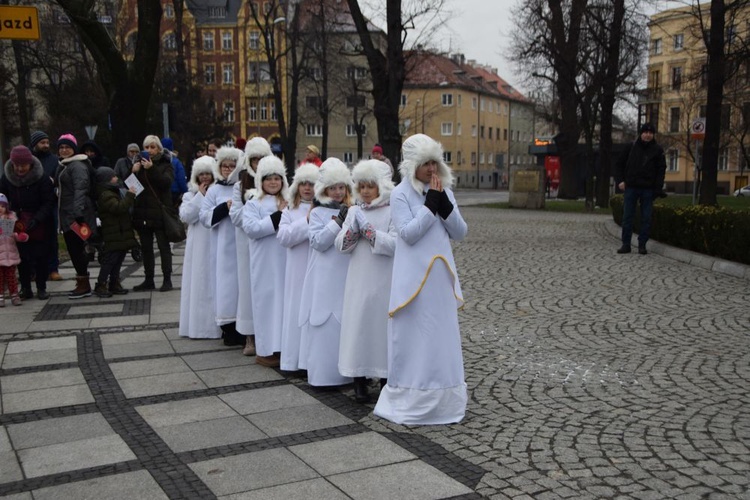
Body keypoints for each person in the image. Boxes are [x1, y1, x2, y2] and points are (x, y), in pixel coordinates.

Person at [373, 134, 468, 426]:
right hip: (413, 280)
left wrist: (444, 206)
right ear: (413, 164)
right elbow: (409, 234)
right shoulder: (401, 193)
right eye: (425, 163)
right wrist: (430, 207)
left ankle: (444, 399)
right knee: (415, 337)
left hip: (439, 278)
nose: (431, 169)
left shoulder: (444, 190)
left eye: (434, 162)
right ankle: (413, 396)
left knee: (440, 336)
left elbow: (460, 232)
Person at [335, 159, 396, 403]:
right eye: (362, 186)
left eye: (370, 186)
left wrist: (370, 233)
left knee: (380, 327)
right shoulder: (353, 211)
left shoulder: (392, 211)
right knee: (357, 327)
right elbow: (340, 246)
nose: (366, 191)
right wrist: (353, 231)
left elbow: (393, 244)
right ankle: (358, 379)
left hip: (383, 279)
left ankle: (384, 378)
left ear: (381, 186)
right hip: (358, 279)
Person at [297, 158, 354, 387]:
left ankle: (348, 373)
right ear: (324, 189)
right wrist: (337, 222)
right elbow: (318, 242)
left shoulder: (352, 209)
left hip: (345, 274)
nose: (338, 192)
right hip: (323, 276)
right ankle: (323, 375)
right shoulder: (318, 212)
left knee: (344, 323)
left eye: (341, 187)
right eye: (333, 188)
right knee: (324, 323)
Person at [242, 156, 289, 367]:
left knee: (283, 304)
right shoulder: (253, 203)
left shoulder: (288, 201)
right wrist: (278, 216)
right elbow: (252, 229)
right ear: (261, 180)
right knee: (266, 304)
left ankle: (283, 347)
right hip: (264, 263)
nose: (273, 182)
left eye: (277, 178)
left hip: (284, 261)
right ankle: (265, 349)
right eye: (268, 178)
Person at [230, 137, 273, 355]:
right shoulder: (240, 184)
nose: (257, 163)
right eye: (254, 159)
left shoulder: (275, 181)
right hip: (246, 244)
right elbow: (236, 216)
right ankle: (250, 335)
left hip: (271, 244)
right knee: (248, 288)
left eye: (261, 158)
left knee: (270, 289)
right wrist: (252, 209)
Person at [200, 146, 243, 346]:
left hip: (241, 244)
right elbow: (204, 216)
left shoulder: (243, 187)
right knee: (225, 287)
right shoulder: (215, 190)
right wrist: (223, 208)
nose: (227, 169)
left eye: (231, 165)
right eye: (224, 165)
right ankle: (228, 327)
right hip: (222, 247)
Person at [277, 163, 318, 372]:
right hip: (296, 271)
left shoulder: (323, 208)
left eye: (311, 184)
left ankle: (310, 362)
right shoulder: (290, 210)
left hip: (315, 271)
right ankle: (293, 361)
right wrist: (307, 220)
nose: (307, 188)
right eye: (303, 184)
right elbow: (283, 237)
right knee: (295, 313)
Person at [1, 146, 56, 300]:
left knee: (40, 256)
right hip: (13, 219)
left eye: (23, 165)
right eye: (16, 165)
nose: (19, 169)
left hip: (39, 219)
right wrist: (6, 214)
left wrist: (37, 219)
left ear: (30, 164)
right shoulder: (6, 177)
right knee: (19, 256)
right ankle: (25, 288)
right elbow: (2, 197)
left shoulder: (42, 178)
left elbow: (48, 202)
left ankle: (41, 287)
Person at [179, 155, 221, 339]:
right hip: (197, 247)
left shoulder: (219, 193)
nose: (205, 177)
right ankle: (197, 326)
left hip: (214, 241)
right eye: (201, 174)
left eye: (208, 174)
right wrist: (199, 197)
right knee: (198, 282)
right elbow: (185, 216)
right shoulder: (189, 195)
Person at [55, 134, 98, 299]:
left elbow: (81, 188)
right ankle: (82, 281)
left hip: (75, 215)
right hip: (67, 214)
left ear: (73, 149)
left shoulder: (77, 165)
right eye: (61, 147)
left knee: (76, 249)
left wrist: (78, 212)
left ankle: (84, 284)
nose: (64, 150)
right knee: (74, 250)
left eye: (67, 147)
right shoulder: (65, 165)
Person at [614, 122, 667, 255]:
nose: (648, 135)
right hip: (631, 186)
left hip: (648, 188)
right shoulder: (630, 147)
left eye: (650, 133)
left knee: (646, 218)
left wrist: (658, 188)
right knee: (627, 217)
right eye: (645, 132)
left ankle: (642, 244)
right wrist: (620, 180)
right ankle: (626, 244)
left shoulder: (658, 150)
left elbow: (661, 170)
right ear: (641, 133)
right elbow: (619, 164)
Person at [131, 135, 175, 292]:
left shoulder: (165, 164)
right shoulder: (138, 164)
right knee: (146, 248)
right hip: (142, 212)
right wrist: (133, 172)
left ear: (158, 149)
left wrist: (152, 169)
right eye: (146, 147)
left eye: (152, 147)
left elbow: (166, 183)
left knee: (164, 247)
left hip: (160, 213)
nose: (149, 150)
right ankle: (148, 279)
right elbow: (130, 188)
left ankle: (167, 279)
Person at [92, 167, 138, 298]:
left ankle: (114, 282)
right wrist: (130, 195)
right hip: (113, 232)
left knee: (118, 259)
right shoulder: (106, 194)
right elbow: (118, 208)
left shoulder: (112, 191)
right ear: (107, 179)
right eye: (113, 176)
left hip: (119, 232)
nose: (116, 178)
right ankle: (101, 284)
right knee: (110, 260)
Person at [29, 131, 63, 282]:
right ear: (35, 144)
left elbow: (60, 179)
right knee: (34, 239)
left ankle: (53, 269)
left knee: (51, 238)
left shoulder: (55, 160)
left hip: (51, 203)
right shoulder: (28, 160)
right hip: (34, 204)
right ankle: (35, 270)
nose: (46, 145)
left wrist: (53, 182)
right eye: (42, 143)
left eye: (47, 143)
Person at [0, 194, 29, 306]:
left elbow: (15, 234)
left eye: (3, 206)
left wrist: (21, 236)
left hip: (10, 254)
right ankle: (1, 296)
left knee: (12, 277)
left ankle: (14, 295)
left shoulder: (11, 219)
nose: (0, 208)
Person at [161, 138, 188, 208]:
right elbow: (181, 179)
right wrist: (185, 192)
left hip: (161, 194)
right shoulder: (176, 162)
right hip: (174, 193)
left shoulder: (158, 160)